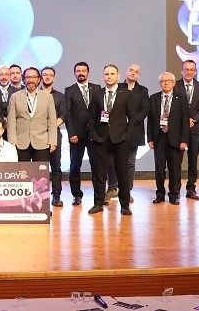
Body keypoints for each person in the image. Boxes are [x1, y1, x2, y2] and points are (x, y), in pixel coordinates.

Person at [87, 64, 140, 216]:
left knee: (122, 173)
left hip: (121, 139)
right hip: (101, 139)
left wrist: (127, 135)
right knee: (99, 173)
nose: (109, 76)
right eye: (106, 74)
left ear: (118, 76)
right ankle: (98, 203)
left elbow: (133, 117)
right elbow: (91, 116)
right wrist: (94, 134)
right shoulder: (97, 94)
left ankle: (124, 205)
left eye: (112, 74)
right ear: (103, 77)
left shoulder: (126, 94)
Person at [148, 72, 190, 204]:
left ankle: (174, 195)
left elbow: (185, 121)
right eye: (162, 81)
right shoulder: (154, 98)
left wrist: (184, 140)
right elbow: (150, 121)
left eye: (168, 81)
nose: (165, 83)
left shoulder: (181, 98)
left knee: (175, 169)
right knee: (159, 169)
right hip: (159, 137)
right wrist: (150, 139)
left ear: (173, 83)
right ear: (159, 83)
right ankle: (160, 194)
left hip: (176, 139)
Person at [110, 64, 148, 202]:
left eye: (136, 72)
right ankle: (112, 189)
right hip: (116, 131)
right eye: (131, 70)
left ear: (139, 75)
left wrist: (131, 120)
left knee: (130, 163)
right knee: (112, 162)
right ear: (126, 72)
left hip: (135, 131)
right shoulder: (117, 87)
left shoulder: (143, 90)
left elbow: (145, 110)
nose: (133, 73)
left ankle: (126, 191)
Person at [62, 62, 98, 207]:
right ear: (75, 73)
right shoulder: (69, 90)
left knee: (97, 166)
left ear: (88, 72)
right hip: (76, 135)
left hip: (95, 134)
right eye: (78, 71)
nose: (81, 73)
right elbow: (67, 114)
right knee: (75, 165)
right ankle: (76, 195)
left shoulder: (97, 88)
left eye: (83, 70)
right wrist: (72, 133)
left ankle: (99, 195)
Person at [6, 68, 58, 168]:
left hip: (42, 142)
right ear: (23, 79)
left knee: (41, 174)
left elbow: (52, 121)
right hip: (20, 142)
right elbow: (11, 121)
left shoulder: (48, 97)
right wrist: (12, 140)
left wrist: (52, 141)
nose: (31, 80)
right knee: (21, 173)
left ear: (39, 79)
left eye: (34, 77)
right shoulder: (15, 96)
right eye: (28, 77)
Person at [177, 59, 199, 200]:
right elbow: (174, 106)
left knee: (193, 160)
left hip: (195, 128)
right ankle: (175, 189)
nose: (189, 72)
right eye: (186, 69)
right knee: (177, 160)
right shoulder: (175, 85)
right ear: (182, 71)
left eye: (192, 70)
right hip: (179, 129)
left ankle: (191, 188)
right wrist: (185, 120)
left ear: (195, 71)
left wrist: (194, 118)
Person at [42, 67, 68, 204]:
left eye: (50, 75)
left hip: (55, 134)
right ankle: (41, 195)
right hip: (38, 134)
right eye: (44, 75)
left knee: (56, 166)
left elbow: (63, 115)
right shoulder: (35, 94)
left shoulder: (59, 96)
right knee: (41, 166)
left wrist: (51, 127)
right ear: (40, 77)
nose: (47, 77)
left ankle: (56, 195)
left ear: (54, 78)